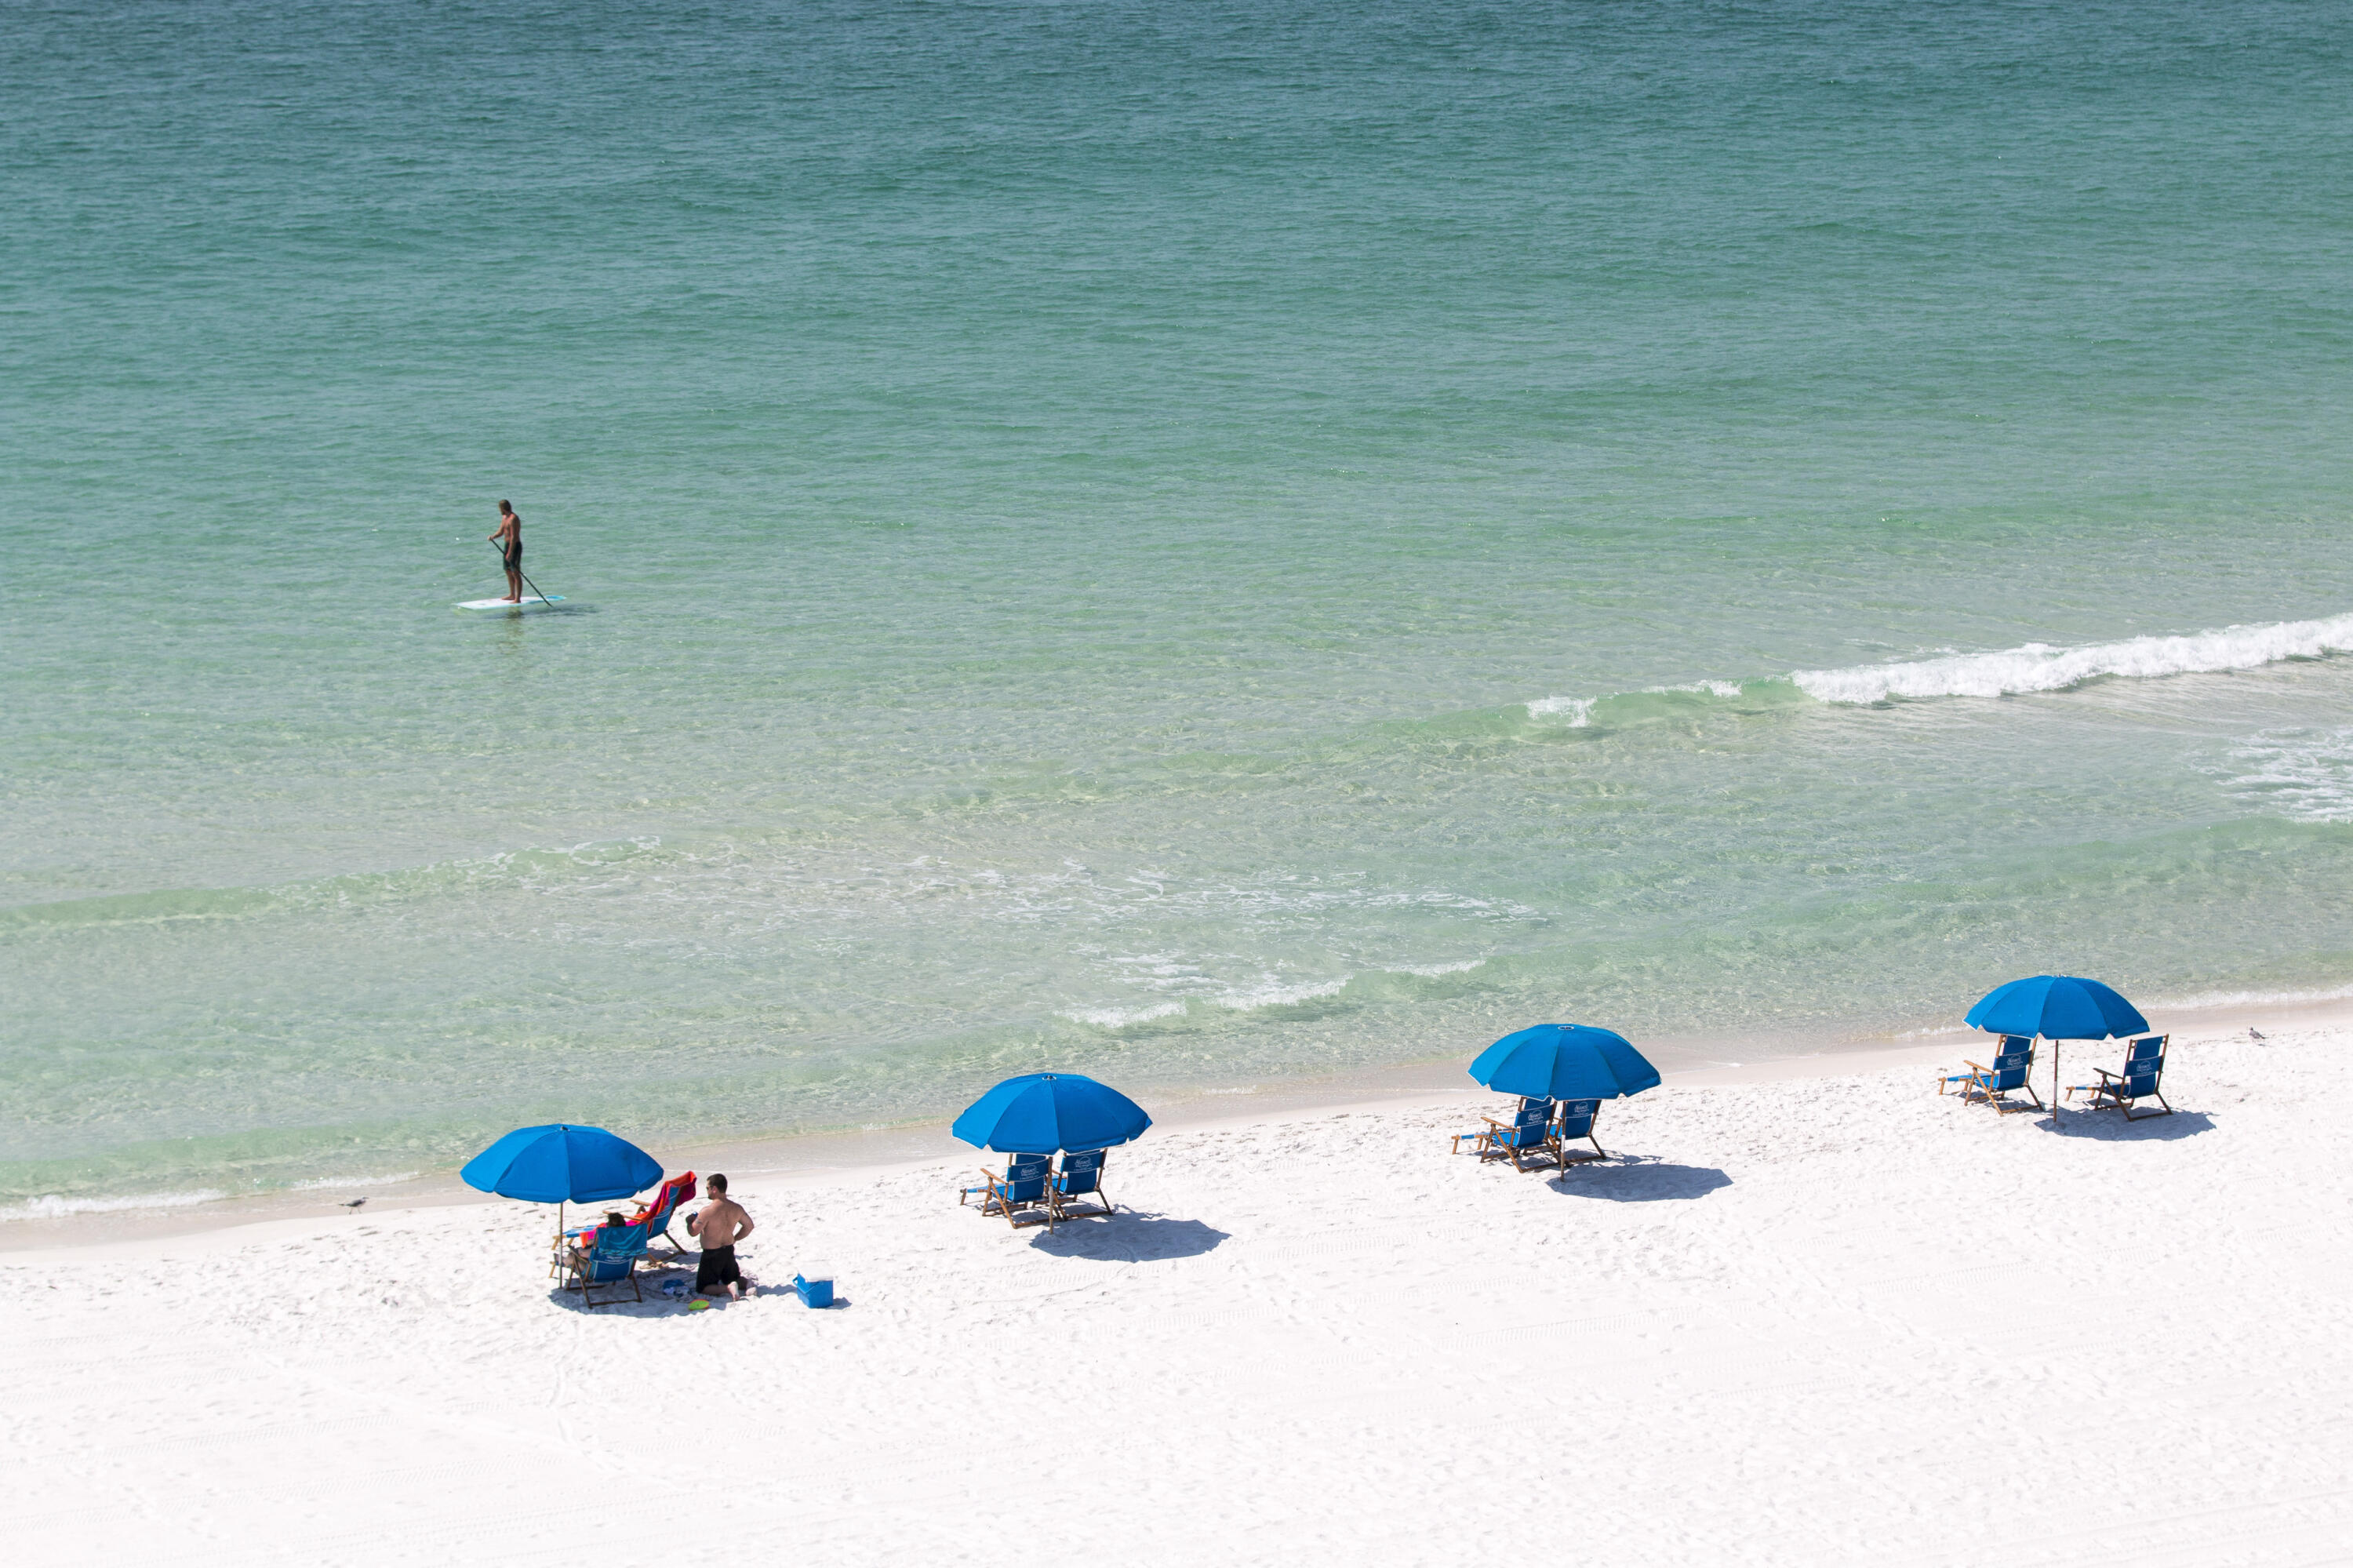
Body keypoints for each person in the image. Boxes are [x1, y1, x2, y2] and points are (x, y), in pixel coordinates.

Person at [686, 1173, 755, 1299]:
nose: (707, 1191)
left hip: (712, 1254)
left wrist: (689, 1221)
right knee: (733, 1278)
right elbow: (749, 1226)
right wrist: (735, 1238)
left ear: (714, 1189)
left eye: (707, 1188)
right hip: (728, 1250)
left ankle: (728, 1288)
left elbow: (693, 1232)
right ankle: (748, 1284)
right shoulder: (737, 1208)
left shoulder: (707, 1211)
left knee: (703, 1288)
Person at [488, 500, 524, 603]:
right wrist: (493, 536)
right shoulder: (504, 518)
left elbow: (513, 537)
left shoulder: (513, 519)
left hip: (515, 546)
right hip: (507, 545)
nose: (499, 511)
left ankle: (518, 598)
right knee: (507, 570)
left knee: (515, 572)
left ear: (503, 508)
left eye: (500, 509)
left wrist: (510, 552)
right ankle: (512, 594)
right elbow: (501, 531)